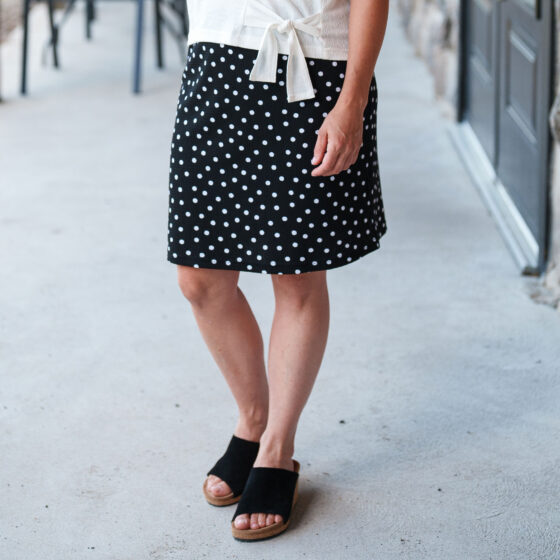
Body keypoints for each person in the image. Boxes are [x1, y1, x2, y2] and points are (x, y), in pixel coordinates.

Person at [166, 0, 389, 542]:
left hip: (312, 72)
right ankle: (253, 417)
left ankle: (276, 447)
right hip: (215, 67)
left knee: (295, 277)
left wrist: (351, 102)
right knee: (199, 277)